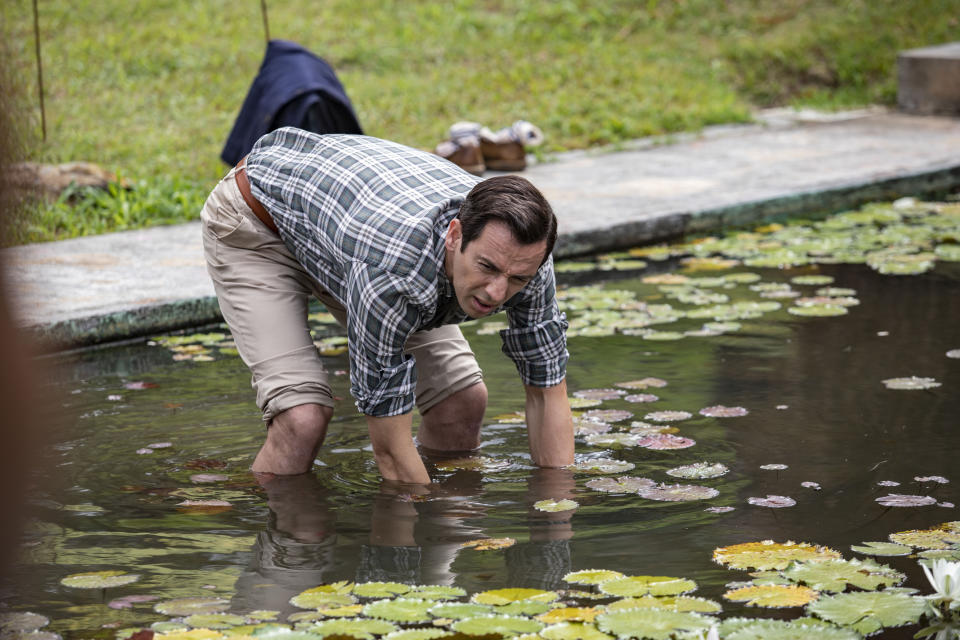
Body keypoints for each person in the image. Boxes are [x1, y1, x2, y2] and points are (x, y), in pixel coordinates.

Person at [201, 127, 574, 484]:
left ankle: (443, 536)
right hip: (257, 220)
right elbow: (390, 451)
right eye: (486, 267)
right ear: (455, 235)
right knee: (302, 420)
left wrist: (556, 520)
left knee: (461, 401)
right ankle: (279, 539)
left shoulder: (525, 258)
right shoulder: (392, 276)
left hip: (350, 233)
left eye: (516, 279)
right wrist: (419, 508)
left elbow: (547, 391)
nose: (496, 292)